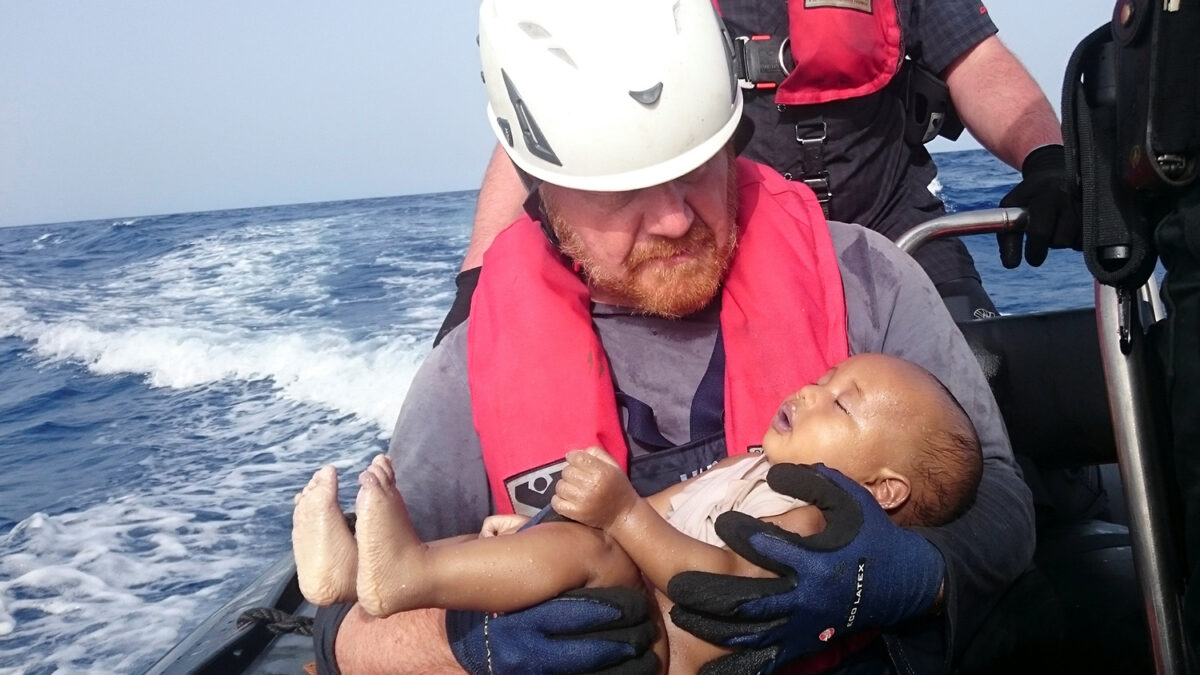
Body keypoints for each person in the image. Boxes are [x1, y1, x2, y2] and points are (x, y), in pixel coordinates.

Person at [312, 0, 1034, 672]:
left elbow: (1003, 512)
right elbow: (347, 622)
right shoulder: (464, 374)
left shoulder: (868, 280)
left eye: (695, 169)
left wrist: (900, 575)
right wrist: (471, 649)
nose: (673, 219)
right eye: (622, 192)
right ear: (541, 189)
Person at [436, 0, 1080, 347]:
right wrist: (477, 281)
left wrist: (1045, 159)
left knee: (982, 374)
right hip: (736, 241)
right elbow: (554, 126)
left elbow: (979, 63)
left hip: (897, 227)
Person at [294, 353, 983, 674]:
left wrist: (620, 515)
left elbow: (721, 585)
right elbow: (667, 506)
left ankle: (404, 570)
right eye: (824, 377)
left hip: (654, 652)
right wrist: (545, 524)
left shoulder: (817, 526)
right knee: (576, 543)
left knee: (594, 555)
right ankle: (361, 574)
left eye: (839, 403)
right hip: (609, 605)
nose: (807, 389)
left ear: (885, 489)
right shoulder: (751, 467)